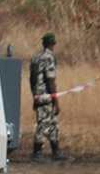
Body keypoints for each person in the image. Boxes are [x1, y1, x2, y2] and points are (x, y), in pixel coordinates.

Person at [28, 32, 72, 163]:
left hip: (38, 94)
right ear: (53, 42)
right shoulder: (49, 57)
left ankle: (56, 151)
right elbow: (50, 80)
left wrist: (34, 96)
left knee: (52, 123)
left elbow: (32, 79)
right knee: (44, 124)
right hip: (46, 96)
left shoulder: (36, 57)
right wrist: (56, 101)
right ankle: (36, 153)